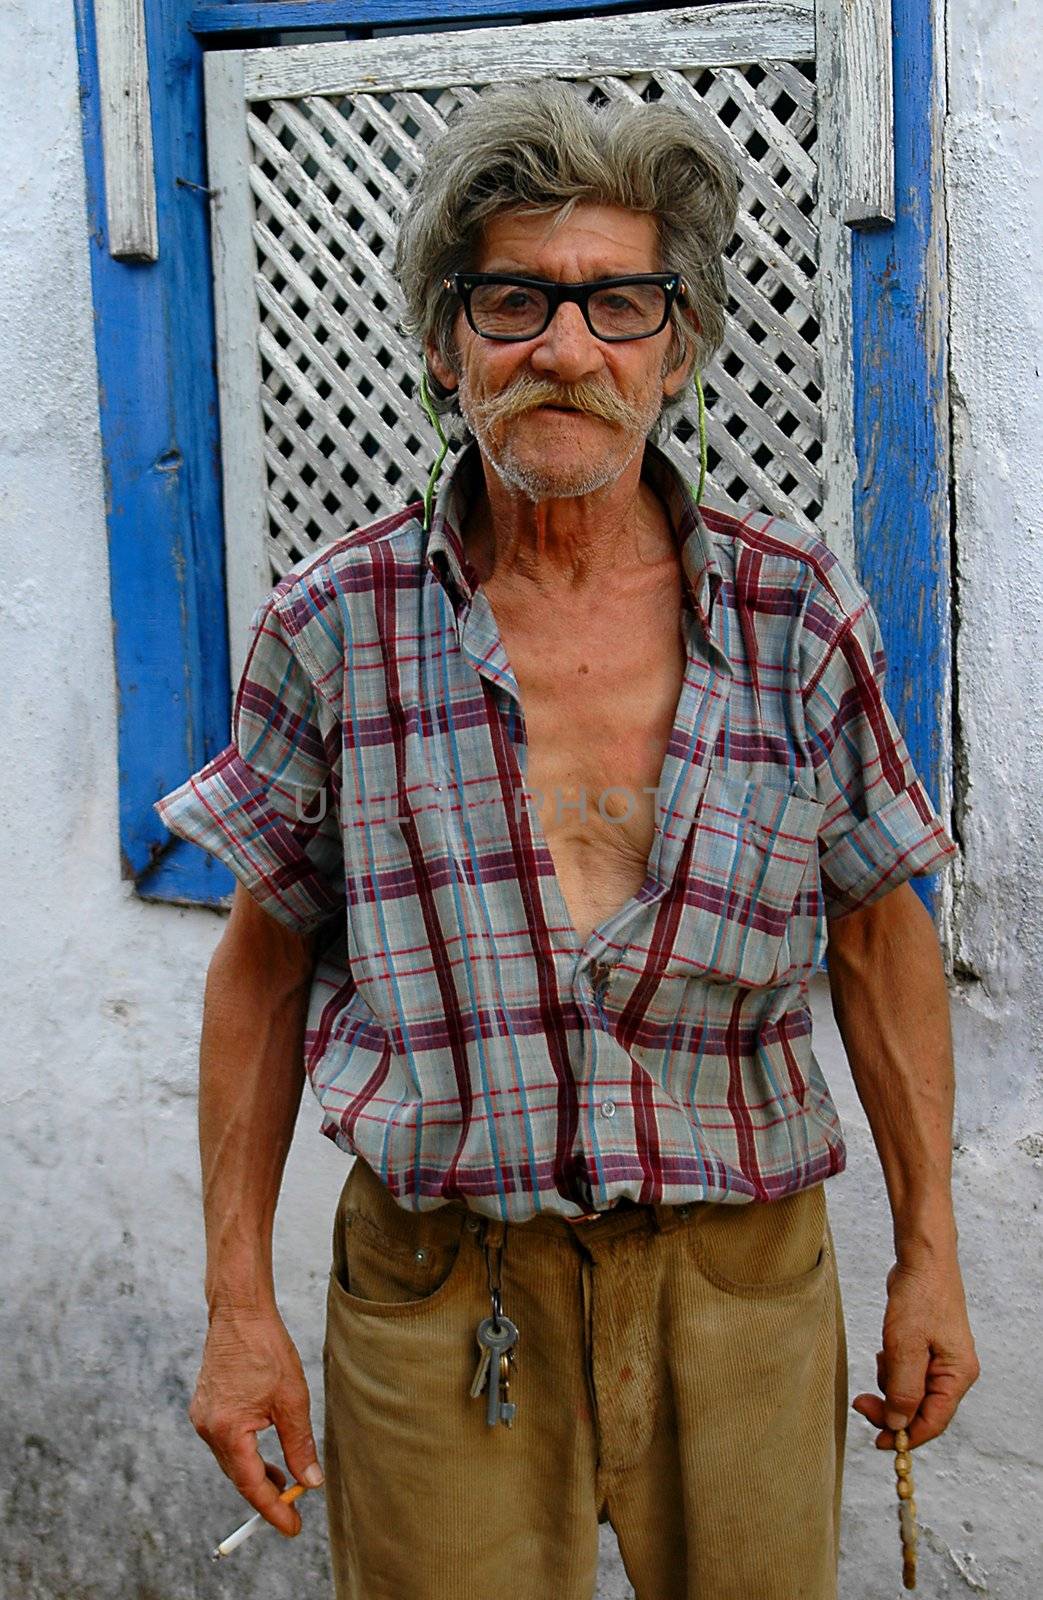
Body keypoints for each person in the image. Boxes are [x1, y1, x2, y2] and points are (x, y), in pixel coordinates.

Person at [155, 81, 979, 1600]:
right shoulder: (335, 623)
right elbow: (263, 975)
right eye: (516, 299)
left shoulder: (795, 614)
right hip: (436, 1281)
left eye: (618, 304)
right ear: (445, 341)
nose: (564, 347)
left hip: (740, 1276)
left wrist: (931, 1250)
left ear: (678, 349)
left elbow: (877, 933)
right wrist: (234, 1308)